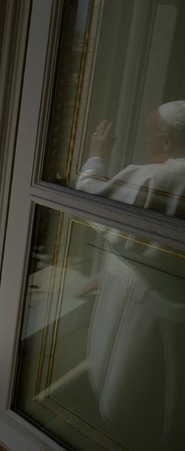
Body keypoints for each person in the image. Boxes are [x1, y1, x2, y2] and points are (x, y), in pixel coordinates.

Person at [74, 100, 185, 451]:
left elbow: (88, 199)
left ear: (166, 141)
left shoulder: (159, 177)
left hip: (142, 304)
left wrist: (97, 154)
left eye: (150, 137)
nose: (147, 144)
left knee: (128, 389)